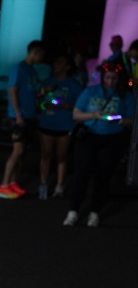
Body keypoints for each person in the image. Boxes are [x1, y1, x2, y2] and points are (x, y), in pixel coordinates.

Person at [64, 62, 135, 227]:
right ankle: (73, 210)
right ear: (102, 77)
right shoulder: (90, 91)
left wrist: (119, 119)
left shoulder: (126, 95)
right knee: (81, 174)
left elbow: (131, 120)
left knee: (103, 176)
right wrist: (93, 115)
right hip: (89, 137)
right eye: (108, 78)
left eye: (114, 78)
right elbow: (76, 114)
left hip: (112, 140)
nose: (110, 82)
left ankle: (95, 211)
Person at [0, 40, 45, 200]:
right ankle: (4, 185)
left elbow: (35, 92)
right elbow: (12, 92)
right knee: (17, 149)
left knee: (22, 152)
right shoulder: (19, 68)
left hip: (29, 115)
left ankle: (13, 182)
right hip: (18, 116)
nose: (42, 58)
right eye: (41, 55)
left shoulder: (32, 70)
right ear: (35, 52)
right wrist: (17, 114)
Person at [37, 55, 83, 200]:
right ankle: (43, 184)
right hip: (47, 123)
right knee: (46, 155)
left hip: (65, 125)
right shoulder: (47, 82)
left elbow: (81, 106)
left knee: (62, 156)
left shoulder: (74, 85)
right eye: (55, 62)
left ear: (67, 67)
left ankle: (59, 186)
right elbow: (38, 101)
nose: (56, 65)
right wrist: (44, 105)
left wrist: (66, 106)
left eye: (60, 62)